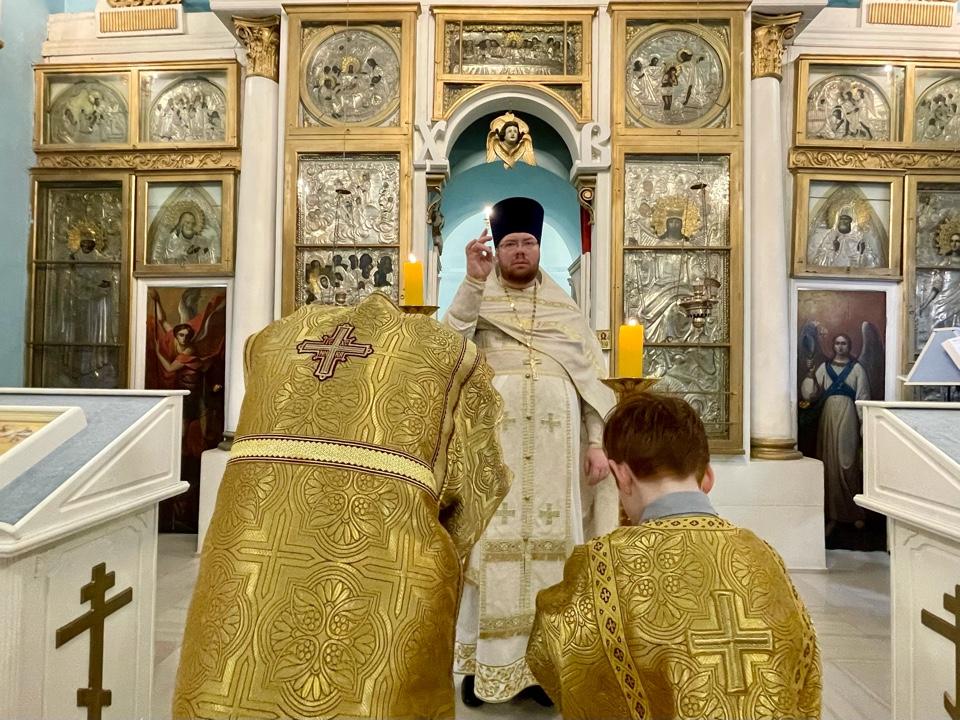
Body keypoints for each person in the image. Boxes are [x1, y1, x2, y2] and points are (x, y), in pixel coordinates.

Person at [173, 293, 510, 719]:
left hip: (239, 581)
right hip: (378, 593)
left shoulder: (270, 342)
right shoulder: (448, 354)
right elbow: (480, 484)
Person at [526, 392, 822, 720]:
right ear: (708, 477)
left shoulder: (603, 561)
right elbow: (804, 669)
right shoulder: (763, 555)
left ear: (621, 476)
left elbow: (552, 651)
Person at [444, 196, 618, 705]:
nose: (520, 251)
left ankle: (542, 670)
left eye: (528, 243)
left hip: (555, 459)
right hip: (494, 456)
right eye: (510, 244)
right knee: (487, 554)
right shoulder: (477, 296)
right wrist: (472, 281)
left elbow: (592, 384)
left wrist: (596, 443)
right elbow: (447, 348)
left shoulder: (567, 312)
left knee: (554, 559)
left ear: (539, 249)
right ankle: (481, 667)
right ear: (496, 251)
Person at [800, 333, 870, 532]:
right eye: (837, 343)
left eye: (844, 343)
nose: (840, 347)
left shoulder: (857, 369)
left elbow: (863, 397)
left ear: (849, 345)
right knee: (829, 463)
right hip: (828, 416)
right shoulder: (824, 367)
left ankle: (855, 513)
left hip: (848, 417)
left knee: (847, 463)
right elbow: (810, 395)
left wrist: (864, 424)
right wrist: (810, 374)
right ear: (833, 346)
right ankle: (832, 515)